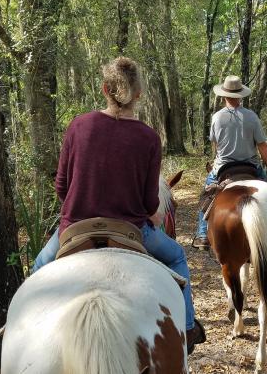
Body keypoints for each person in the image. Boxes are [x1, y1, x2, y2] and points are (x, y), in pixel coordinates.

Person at [34, 57, 206, 353]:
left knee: (39, 267)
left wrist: (81, 206)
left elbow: (61, 186)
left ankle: (25, 335)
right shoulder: (149, 138)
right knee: (177, 256)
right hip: (130, 230)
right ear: (138, 94)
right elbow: (150, 202)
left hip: (76, 228)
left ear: (105, 89)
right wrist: (149, 212)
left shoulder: (78, 126)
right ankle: (188, 328)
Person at [193, 75, 267, 250]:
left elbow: (215, 144)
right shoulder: (252, 117)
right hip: (251, 167)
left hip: (223, 167)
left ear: (223, 96)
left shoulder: (217, 117)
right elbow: (263, 146)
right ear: (240, 96)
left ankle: (202, 235)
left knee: (206, 194)